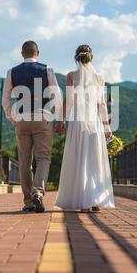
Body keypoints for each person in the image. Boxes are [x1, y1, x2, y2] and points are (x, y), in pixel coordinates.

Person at [2, 40, 62, 213]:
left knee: (24, 161)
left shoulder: (11, 72)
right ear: (38, 52)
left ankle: (28, 201)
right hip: (42, 117)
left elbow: (5, 99)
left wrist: (11, 118)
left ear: (22, 54)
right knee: (43, 157)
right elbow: (57, 95)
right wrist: (59, 119)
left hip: (21, 119)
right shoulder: (47, 69)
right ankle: (38, 192)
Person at [55, 44, 115, 212]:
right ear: (91, 58)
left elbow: (69, 101)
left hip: (77, 122)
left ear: (76, 58)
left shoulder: (71, 76)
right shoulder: (100, 78)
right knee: (94, 159)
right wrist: (107, 127)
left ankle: (82, 200)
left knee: (78, 158)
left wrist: (61, 121)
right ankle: (94, 199)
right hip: (94, 122)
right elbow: (102, 104)